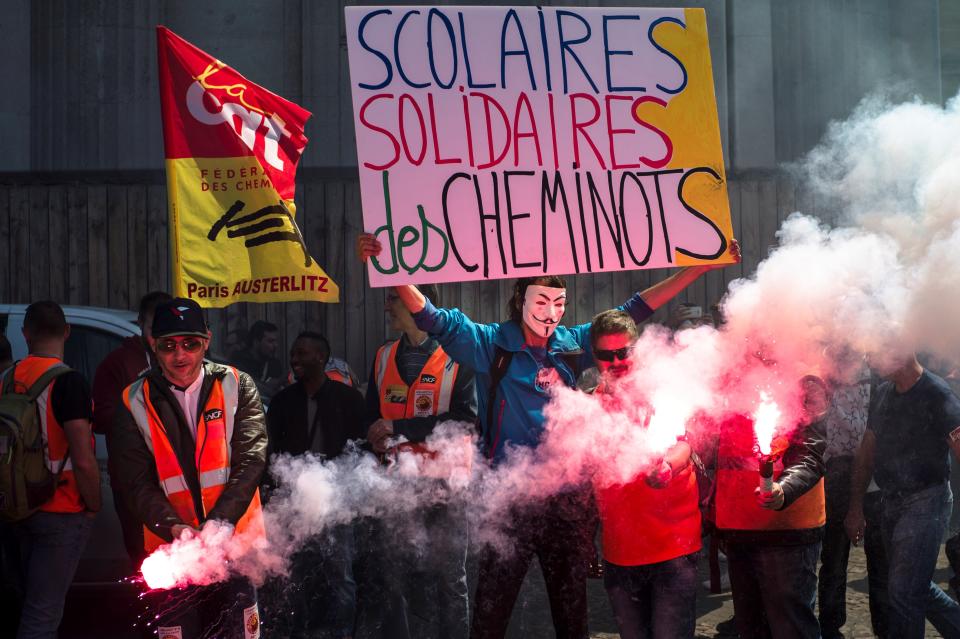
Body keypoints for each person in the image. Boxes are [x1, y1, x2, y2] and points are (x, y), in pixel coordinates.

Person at [357, 232, 740, 639]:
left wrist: (699, 267)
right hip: (511, 500)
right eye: (540, 301)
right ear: (520, 301)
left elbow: (636, 308)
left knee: (571, 616)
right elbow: (432, 318)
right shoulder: (492, 344)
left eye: (559, 303)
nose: (550, 312)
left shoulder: (573, 343)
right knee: (491, 613)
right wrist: (391, 272)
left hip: (566, 502)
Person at [109, 298, 267, 639]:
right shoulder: (132, 400)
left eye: (190, 344)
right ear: (152, 345)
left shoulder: (237, 384)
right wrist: (175, 528)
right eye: (168, 346)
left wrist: (217, 526)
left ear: (206, 341)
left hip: (234, 545)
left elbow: (252, 460)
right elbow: (134, 482)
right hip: (174, 551)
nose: (180, 356)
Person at [361, 283, 477, 639]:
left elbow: (466, 420)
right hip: (397, 483)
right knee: (394, 574)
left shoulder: (460, 356)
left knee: (449, 579)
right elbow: (371, 412)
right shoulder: (383, 356)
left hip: (447, 485)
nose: (386, 305)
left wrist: (400, 426)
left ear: (416, 305)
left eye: (393, 298)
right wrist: (374, 433)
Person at [589, 310, 701, 639]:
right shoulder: (590, 406)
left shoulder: (664, 390)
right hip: (620, 552)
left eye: (624, 352)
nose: (617, 362)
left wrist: (668, 465)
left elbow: (688, 443)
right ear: (595, 357)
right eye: (607, 355)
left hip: (673, 548)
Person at [2, 301, 101, 639]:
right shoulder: (69, 382)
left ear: (25, 333)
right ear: (67, 332)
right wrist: (93, 505)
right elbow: (84, 457)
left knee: (26, 605)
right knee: (41, 616)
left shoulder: (6, 379)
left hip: (14, 507)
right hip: (60, 509)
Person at [845, 353, 960, 639]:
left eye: (878, 351)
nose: (872, 360)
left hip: (927, 500)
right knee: (912, 587)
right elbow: (866, 452)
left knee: (903, 591)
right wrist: (855, 507)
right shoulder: (883, 393)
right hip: (891, 501)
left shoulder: (937, 393)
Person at [266, 331, 366, 639]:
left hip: (337, 501)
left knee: (341, 576)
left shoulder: (348, 398)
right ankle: (298, 631)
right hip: (295, 503)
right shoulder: (283, 401)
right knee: (294, 574)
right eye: (294, 353)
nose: (295, 359)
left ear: (321, 357)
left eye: (302, 353)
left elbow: (360, 449)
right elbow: (272, 452)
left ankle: (342, 634)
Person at [713, 373, 829, 639]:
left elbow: (811, 454)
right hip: (738, 526)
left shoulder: (804, 378)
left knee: (792, 629)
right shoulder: (729, 373)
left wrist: (783, 489)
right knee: (751, 629)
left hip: (788, 531)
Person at [92, 290, 172, 567]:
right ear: (140, 323)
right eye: (154, 327)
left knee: (185, 563)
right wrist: (137, 407)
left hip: (176, 480)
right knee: (145, 562)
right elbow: (100, 418)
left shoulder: (182, 361)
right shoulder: (117, 363)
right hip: (133, 478)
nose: (161, 335)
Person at [817, 363, 872, 638]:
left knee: (879, 558)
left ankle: (886, 626)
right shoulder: (824, 367)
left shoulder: (880, 372)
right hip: (835, 468)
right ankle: (830, 625)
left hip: (874, 471)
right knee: (834, 555)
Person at [230, 319, 284, 402]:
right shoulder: (240, 361)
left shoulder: (274, 364)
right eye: (270, 341)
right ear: (256, 341)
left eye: (275, 341)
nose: (275, 345)